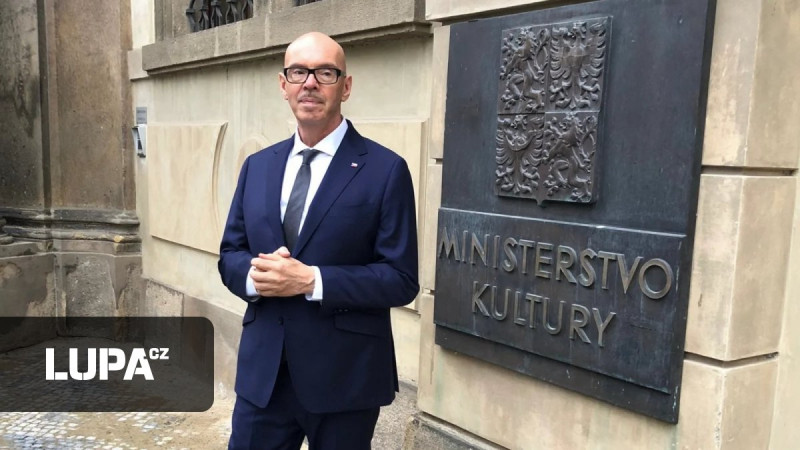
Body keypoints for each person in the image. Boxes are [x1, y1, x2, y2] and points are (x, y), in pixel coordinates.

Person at [218, 31, 419, 450]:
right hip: (264, 378)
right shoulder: (257, 166)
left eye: (325, 73)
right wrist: (257, 279)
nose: (310, 83)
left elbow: (400, 279)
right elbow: (231, 254)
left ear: (345, 86)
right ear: (283, 84)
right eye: (298, 72)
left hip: (345, 379)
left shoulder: (385, 170)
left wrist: (312, 280)